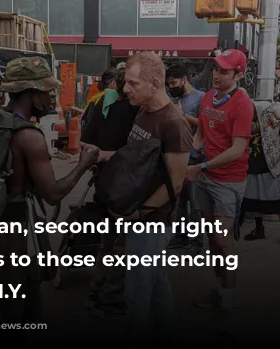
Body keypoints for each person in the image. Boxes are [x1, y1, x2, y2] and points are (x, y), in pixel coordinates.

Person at [0, 56, 99, 341]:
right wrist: (83, 164)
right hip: (14, 223)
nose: (51, 96)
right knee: (18, 300)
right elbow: (52, 194)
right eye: (46, 91)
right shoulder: (28, 136)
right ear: (31, 93)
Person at [79, 51, 193, 341]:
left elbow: (176, 183)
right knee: (156, 285)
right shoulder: (143, 111)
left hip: (151, 220)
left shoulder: (174, 123)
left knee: (137, 295)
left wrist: (139, 213)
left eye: (132, 83)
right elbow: (136, 157)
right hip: (135, 214)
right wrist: (104, 155)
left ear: (154, 83)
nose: (124, 88)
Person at [186, 49, 255, 335]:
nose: (216, 75)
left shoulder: (243, 103)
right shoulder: (206, 97)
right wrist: (189, 155)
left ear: (238, 74)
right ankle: (219, 289)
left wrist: (200, 168)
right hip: (204, 174)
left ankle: (228, 301)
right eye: (215, 69)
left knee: (223, 240)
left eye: (224, 71)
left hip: (227, 180)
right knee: (212, 239)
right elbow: (201, 133)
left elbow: (238, 150)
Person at [81, 71, 140, 320]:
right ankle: (110, 299)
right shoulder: (135, 110)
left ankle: (98, 290)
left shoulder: (98, 102)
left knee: (108, 242)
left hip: (104, 181)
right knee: (122, 246)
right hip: (125, 186)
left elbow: (86, 138)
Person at [241, 101, 280, 249]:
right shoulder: (240, 116)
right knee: (255, 199)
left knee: (276, 199)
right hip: (251, 164)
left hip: (270, 164)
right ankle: (259, 230)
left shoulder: (265, 109)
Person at [165, 64, 206, 253]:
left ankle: (196, 241)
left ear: (184, 79)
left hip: (195, 158)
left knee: (194, 202)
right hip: (179, 156)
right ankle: (180, 236)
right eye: (169, 84)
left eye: (173, 83)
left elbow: (205, 125)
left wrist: (183, 116)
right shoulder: (176, 99)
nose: (171, 87)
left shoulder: (201, 98)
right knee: (179, 199)